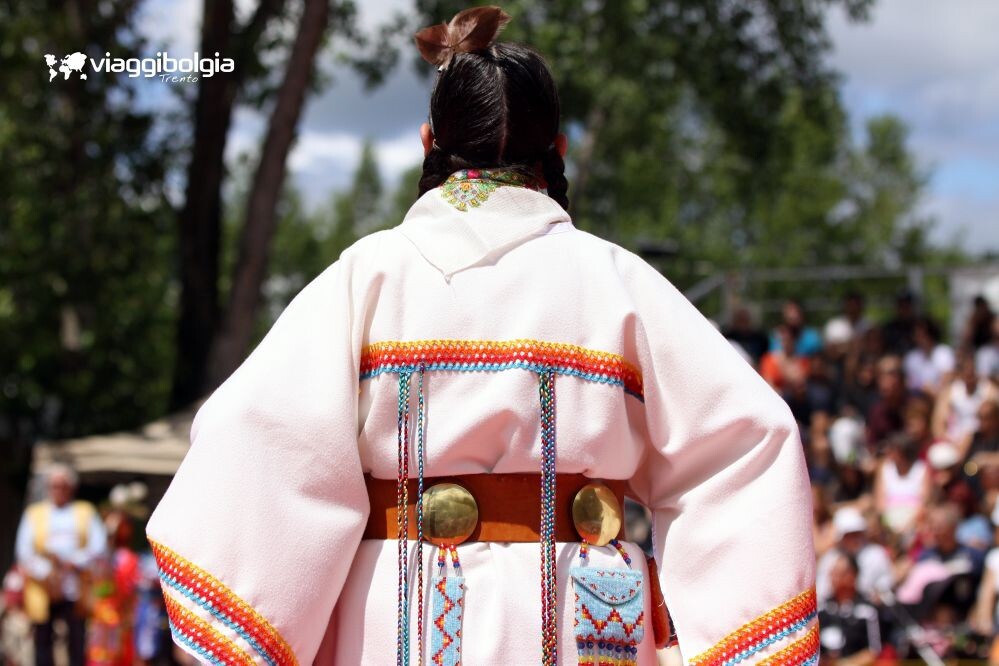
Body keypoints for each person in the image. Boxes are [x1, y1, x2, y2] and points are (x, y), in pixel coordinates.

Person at [145, 7, 816, 665]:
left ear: (428, 142)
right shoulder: (621, 282)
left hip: (398, 614)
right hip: (587, 614)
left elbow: (256, 436)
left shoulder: (366, 277)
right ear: (558, 150)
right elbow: (745, 443)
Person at [14, 464, 107, 666]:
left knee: (77, 638)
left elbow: (98, 546)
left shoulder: (85, 511)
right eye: (54, 486)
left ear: (71, 487)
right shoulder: (34, 513)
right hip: (43, 586)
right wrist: (47, 572)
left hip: (76, 585)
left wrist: (74, 562)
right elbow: (24, 550)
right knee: (42, 639)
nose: (58, 490)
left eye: (62, 485)